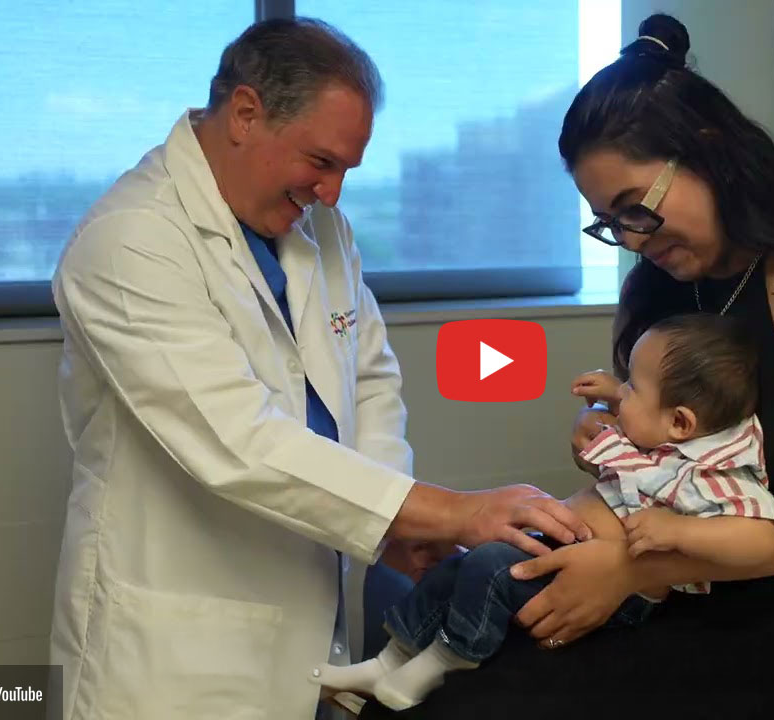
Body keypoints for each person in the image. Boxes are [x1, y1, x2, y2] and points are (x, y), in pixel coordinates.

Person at [361, 12, 774, 720]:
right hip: (659, 589)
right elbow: (662, 454)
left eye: (636, 210)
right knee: (435, 667)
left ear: (709, 151)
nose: (629, 238)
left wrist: (631, 568)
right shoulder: (653, 287)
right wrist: (608, 436)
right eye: (607, 222)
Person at [47, 18, 589, 720]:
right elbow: (238, 442)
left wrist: (401, 527)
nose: (331, 194)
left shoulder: (317, 227)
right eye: (321, 162)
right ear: (246, 113)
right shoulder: (132, 241)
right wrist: (453, 509)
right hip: (174, 653)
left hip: (313, 617)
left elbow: (369, 379)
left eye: (344, 171)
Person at [313, 314, 774, 710]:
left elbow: (762, 540)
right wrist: (612, 397)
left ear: (681, 421)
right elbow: (623, 424)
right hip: (566, 543)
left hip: (618, 593)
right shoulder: (659, 441)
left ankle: (449, 657)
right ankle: (390, 659)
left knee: (492, 567)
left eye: (633, 389)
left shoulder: (715, 476)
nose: (623, 398)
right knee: (457, 564)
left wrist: (679, 531)